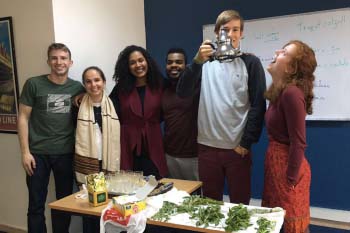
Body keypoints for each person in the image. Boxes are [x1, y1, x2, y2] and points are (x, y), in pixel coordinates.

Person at [177, 10, 266, 204]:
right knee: (210, 204)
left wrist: (246, 144)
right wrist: (196, 61)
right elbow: (182, 92)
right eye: (226, 30)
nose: (231, 34)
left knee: (240, 205)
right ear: (217, 33)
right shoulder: (204, 62)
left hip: (237, 148)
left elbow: (259, 105)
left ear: (241, 33)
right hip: (207, 146)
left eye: (236, 30)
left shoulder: (251, 63)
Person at [18, 43, 84, 233]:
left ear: (70, 62)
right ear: (48, 62)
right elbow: (22, 117)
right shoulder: (33, 84)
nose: (59, 62)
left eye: (63, 58)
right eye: (54, 58)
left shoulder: (77, 87)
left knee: (63, 204)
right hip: (37, 154)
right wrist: (25, 153)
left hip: (66, 153)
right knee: (36, 205)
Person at [262, 40, 316, 233]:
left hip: (289, 172)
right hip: (277, 168)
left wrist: (290, 180)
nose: (277, 52)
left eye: (284, 52)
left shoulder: (292, 93)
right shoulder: (279, 91)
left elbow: (299, 142)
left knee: (292, 226)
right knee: (277, 224)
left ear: (291, 68)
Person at [73, 66, 120, 233]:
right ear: (84, 84)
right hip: (88, 164)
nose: (93, 85)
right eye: (88, 81)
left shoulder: (115, 104)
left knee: (109, 205)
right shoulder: (77, 105)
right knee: (89, 206)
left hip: (109, 162)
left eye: (97, 80)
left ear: (104, 82)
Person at [109, 45, 167, 179]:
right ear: (127, 67)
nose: (138, 65)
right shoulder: (121, 89)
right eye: (132, 62)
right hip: (129, 145)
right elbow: (106, 107)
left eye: (141, 60)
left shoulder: (160, 84)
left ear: (147, 61)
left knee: (156, 185)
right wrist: (82, 95)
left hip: (154, 142)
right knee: (131, 187)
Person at [162, 48, 199, 180]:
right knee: (175, 196)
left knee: (196, 198)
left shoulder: (197, 86)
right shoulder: (164, 89)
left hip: (193, 156)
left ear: (186, 65)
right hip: (169, 155)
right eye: (170, 62)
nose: (174, 65)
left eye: (179, 62)